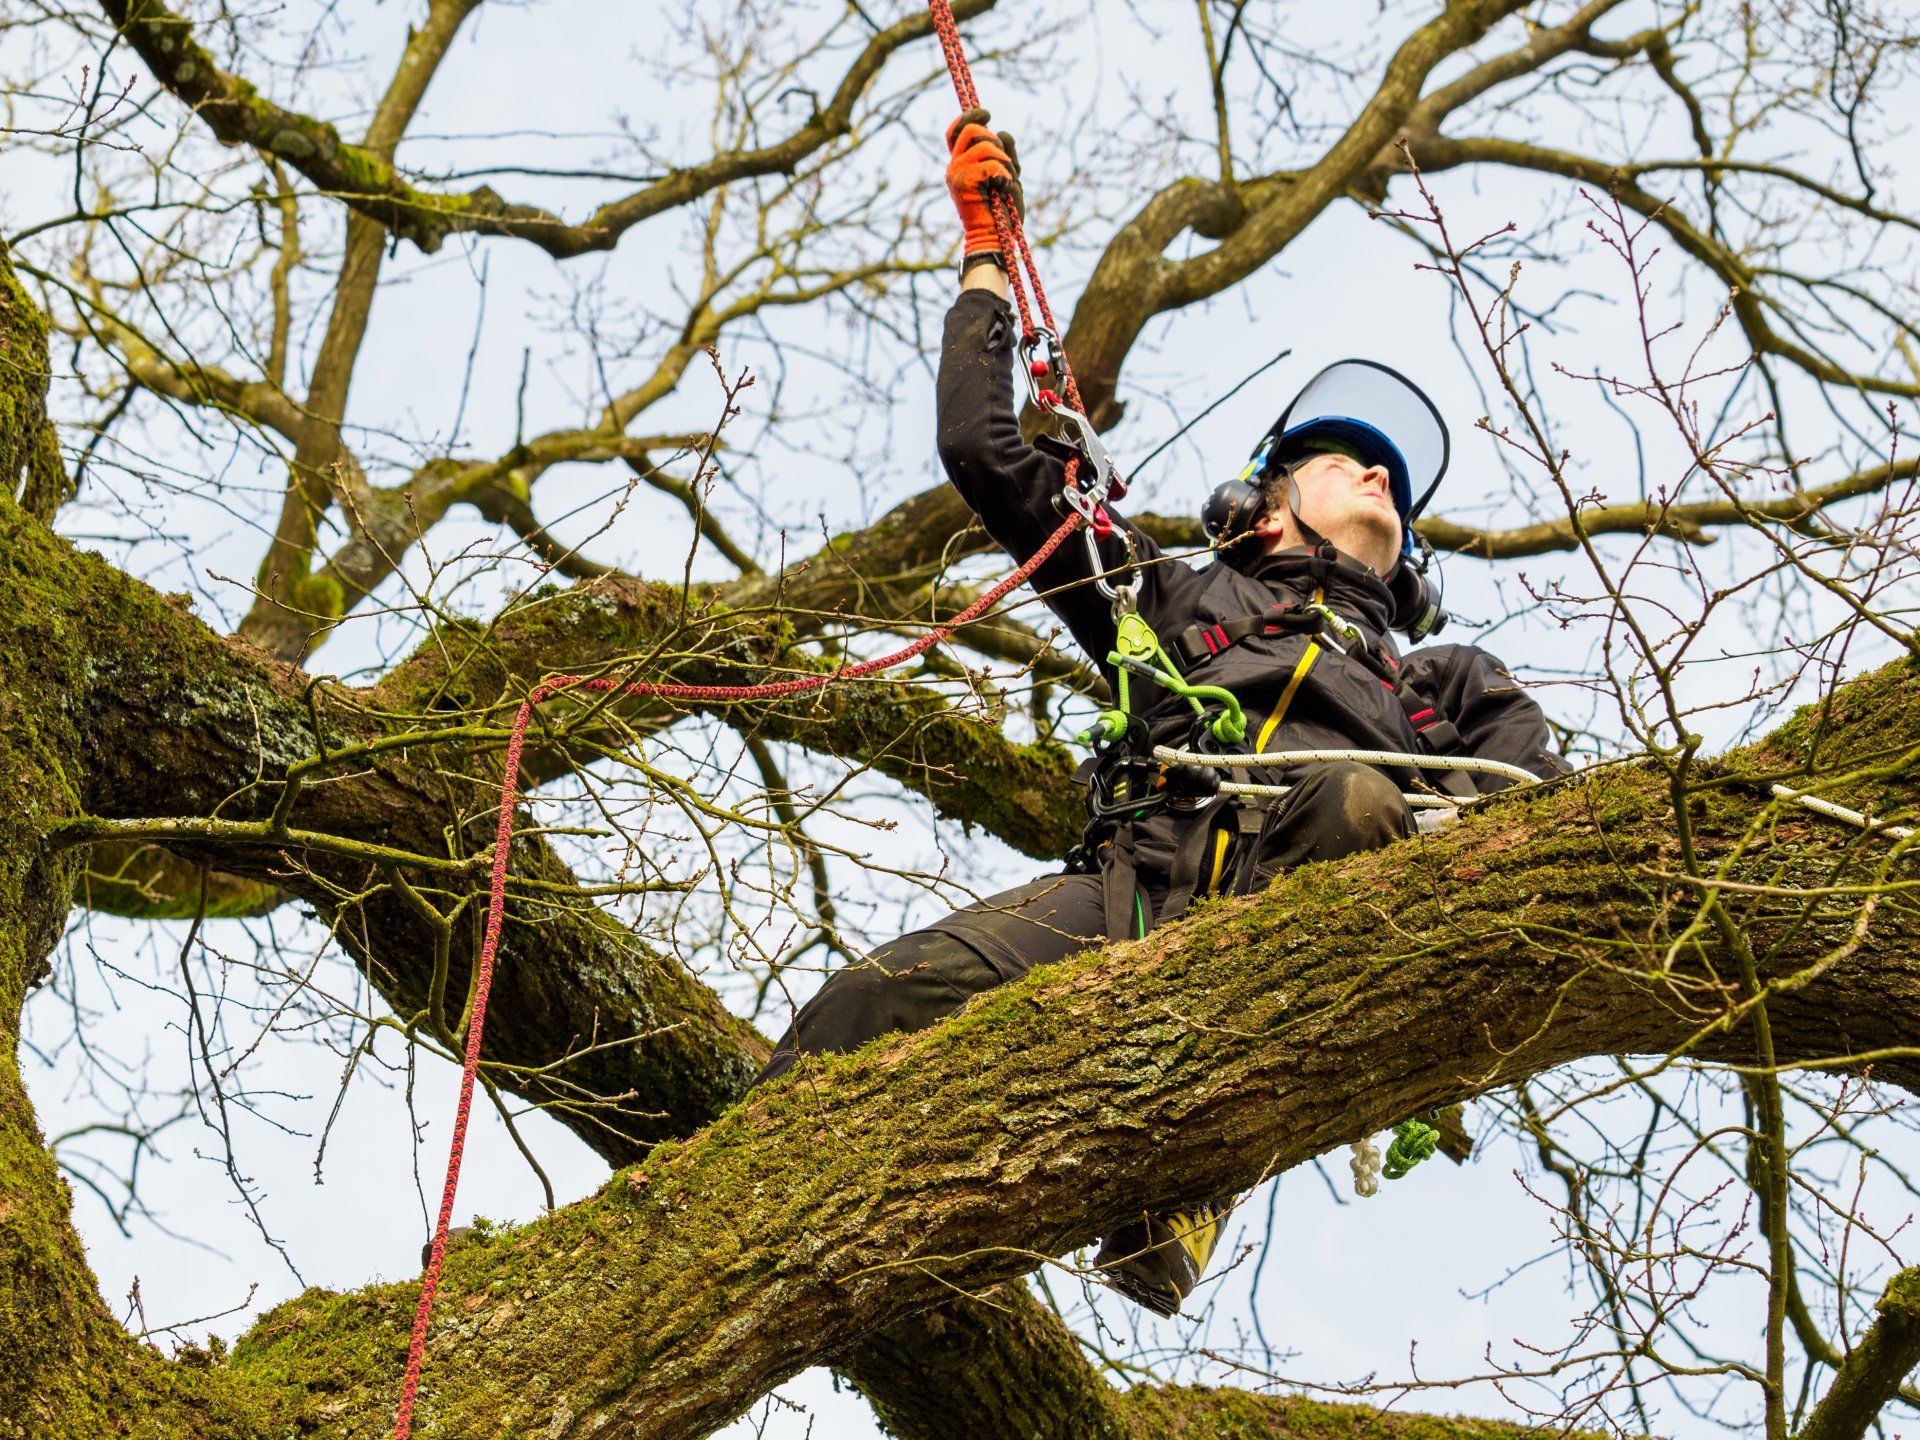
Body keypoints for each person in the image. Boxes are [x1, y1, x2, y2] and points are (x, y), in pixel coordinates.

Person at [753, 111, 1569, 1318]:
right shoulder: (1173, 599)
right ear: (1264, 509)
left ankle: (1194, 1170)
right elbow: (981, 446)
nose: (1378, 475)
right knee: (869, 1002)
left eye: (1391, 477)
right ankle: (723, 1215)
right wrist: (986, 255)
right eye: (1345, 461)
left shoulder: (1441, 685)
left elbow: (1550, 824)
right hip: (1140, 887)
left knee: (1352, 797)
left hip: (1314, 920)